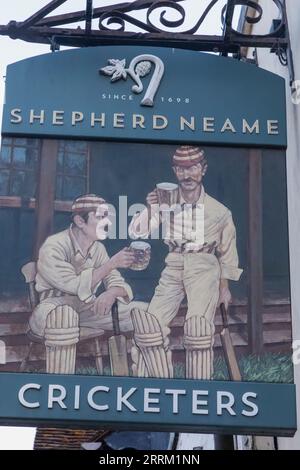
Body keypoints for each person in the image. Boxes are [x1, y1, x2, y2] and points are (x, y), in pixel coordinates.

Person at [129, 146, 243, 380]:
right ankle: (150, 383)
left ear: (203, 169)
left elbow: (227, 253)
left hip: (204, 266)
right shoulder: (166, 201)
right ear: (174, 171)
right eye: (181, 169)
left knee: (198, 328)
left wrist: (224, 288)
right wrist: (151, 208)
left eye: (192, 168)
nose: (187, 175)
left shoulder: (220, 211)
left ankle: (199, 387)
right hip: (174, 265)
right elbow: (136, 231)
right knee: (150, 326)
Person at [29, 194, 140, 374]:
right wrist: (111, 264)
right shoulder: (54, 245)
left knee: (143, 312)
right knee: (64, 317)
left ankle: (142, 376)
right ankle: (60, 383)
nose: (108, 223)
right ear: (80, 221)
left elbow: (117, 282)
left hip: (86, 308)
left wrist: (111, 293)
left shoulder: (98, 248)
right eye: (101, 217)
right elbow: (73, 285)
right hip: (51, 310)